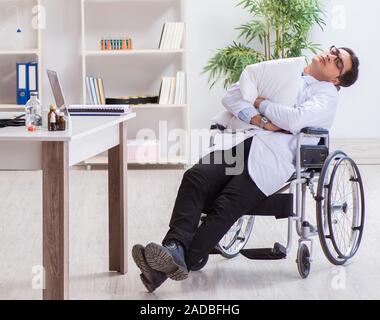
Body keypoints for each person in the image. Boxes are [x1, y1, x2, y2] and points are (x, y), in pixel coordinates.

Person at [132, 46, 360, 293]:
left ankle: (172, 262)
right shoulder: (287, 70)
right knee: (195, 177)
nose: (331, 56)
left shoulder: (326, 95)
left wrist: (260, 101)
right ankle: (173, 249)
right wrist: (261, 120)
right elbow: (233, 95)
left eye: (338, 62)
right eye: (334, 51)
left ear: (336, 79)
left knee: (226, 205)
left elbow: (295, 120)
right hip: (243, 142)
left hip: (274, 158)